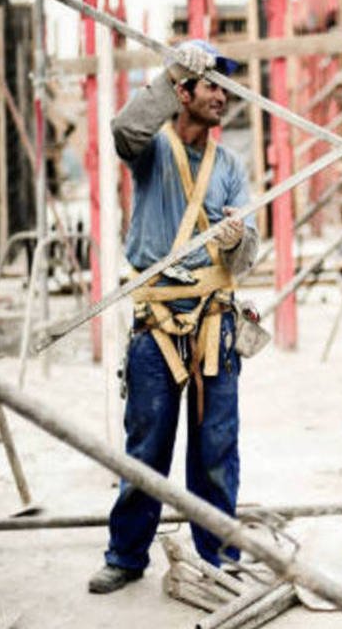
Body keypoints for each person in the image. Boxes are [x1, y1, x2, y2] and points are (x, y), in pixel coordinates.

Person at [88, 39, 259, 594]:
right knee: (146, 447)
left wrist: (236, 242)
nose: (221, 96)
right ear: (183, 92)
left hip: (215, 322)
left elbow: (248, 254)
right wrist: (171, 72)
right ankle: (126, 554)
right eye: (211, 84)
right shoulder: (152, 150)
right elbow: (123, 132)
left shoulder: (229, 165)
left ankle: (217, 555)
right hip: (156, 323)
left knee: (216, 448)